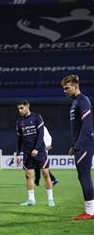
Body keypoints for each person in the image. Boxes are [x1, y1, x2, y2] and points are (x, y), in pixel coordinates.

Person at [61, 74, 94, 220]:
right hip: (81, 144)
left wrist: (78, 145)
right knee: (83, 176)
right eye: (64, 89)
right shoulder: (75, 102)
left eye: (67, 88)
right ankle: (91, 210)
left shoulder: (82, 100)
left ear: (76, 86)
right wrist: (74, 145)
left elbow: (87, 125)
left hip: (85, 144)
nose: (65, 91)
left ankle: (90, 211)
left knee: (84, 176)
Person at [15, 100, 55, 207]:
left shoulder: (37, 117)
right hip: (27, 153)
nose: (20, 110)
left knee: (46, 174)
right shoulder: (19, 122)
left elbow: (41, 134)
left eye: (21, 108)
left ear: (28, 107)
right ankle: (31, 200)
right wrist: (18, 153)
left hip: (40, 151)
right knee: (28, 175)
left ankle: (50, 199)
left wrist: (36, 149)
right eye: (18, 108)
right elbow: (19, 139)